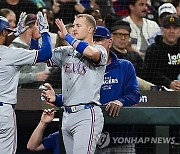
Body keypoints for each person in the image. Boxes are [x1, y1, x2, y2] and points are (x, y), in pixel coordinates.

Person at [42, 14, 107, 154]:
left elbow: (89, 53)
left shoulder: (100, 50)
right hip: (67, 115)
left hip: (87, 114)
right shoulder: (66, 51)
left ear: (90, 29)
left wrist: (68, 37)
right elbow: (43, 55)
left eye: (78, 25)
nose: (74, 28)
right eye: (74, 24)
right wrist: (41, 35)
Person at [0, 11, 52, 154]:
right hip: (3, 111)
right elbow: (46, 53)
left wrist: (15, 34)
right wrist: (45, 32)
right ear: (3, 32)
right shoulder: (11, 54)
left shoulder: (9, 53)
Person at [110, 20, 155, 90]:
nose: (123, 38)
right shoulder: (108, 56)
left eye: (126, 35)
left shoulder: (135, 57)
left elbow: (146, 76)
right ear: (112, 36)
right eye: (119, 35)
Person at [10, 13, 50, 88]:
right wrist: (35, 77)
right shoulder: (13, 47)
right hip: (16, 91)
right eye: (37, 27)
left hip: (35, 89)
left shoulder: (39, 46)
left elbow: (42, 73)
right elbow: (10, 77)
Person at [144, 14, 180, 91]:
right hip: (160, 93)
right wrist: (169, 83)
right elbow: (151, 73)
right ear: (162, 30)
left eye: (175, 28)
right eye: (167, 27)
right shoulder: (153, 50)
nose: (171, 31)